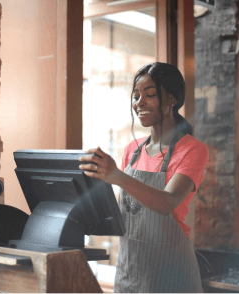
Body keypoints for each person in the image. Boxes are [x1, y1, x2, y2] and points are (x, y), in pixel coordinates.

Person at [79, 62, 209, 293]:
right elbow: (124, 212)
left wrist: (116, 175)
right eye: (136, 96)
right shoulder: (132, 150)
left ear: (172, 99)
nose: (139, 103)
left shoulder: (192, 150)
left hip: (172, 276)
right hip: (131, 272)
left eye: (149, 95)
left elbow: (167, 202)